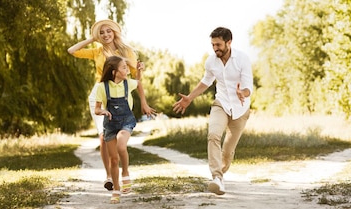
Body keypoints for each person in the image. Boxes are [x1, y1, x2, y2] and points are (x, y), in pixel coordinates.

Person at [67, 19, 156, 192]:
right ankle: (109, 176)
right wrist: (92, 39)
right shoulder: (97, 51)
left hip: (120, 95)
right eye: (101, 32)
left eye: (108, 31)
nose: (105, 35)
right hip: (100, 94)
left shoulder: (127, 51)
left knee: (118, 136)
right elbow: (72, 51)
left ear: (114, 32)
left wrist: (143, 102)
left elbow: (135, 79)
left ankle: (124, 171)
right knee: (103, 136)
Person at [173, 27, 253, 195]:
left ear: (229, 42)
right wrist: (189, 97)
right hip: (221, 103)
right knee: (213, 135)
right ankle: (216, 177)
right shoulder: (211, 61)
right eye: (213, 45)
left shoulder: (242, 59)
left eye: (218, 44)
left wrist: (242, 93)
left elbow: (248, 87)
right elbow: (206, 81)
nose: (215, 48)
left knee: (228, 150)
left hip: (241, 108)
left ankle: (220, 176)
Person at [95, 55, 143, 204]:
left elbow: (139, 83)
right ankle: (116, 189)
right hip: (110, 125)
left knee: (121, 144)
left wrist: (139, 72)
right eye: (124, 67)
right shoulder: (102, 87)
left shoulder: (128, 83)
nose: (127, 69)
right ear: (114, 72)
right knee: (113, 160)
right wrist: (102, 111)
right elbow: (96, 109)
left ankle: (126, 172)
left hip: (126, 121)